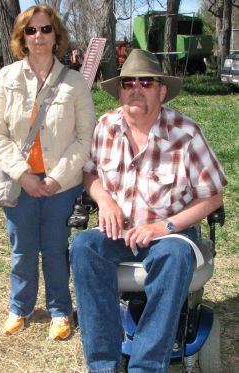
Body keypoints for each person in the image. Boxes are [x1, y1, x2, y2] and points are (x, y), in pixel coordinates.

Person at [70, 49, 227, 372]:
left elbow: (212, 197)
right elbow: (90, 173)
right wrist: (105, 200)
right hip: (120, 231)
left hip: (170, 233)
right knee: (84, 246)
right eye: (129, 83)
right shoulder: (106, 127)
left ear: (162, 90)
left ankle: (145, 365)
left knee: (173, 256)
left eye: (147, 82)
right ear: (120, 90)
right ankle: (103, 365)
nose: (136, 88)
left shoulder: (186, 133)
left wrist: (163, 228)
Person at [0, 4, 95, 340]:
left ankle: (60, 310)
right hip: (19, 184)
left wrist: (55, 178)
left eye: (46, 29)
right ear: (21, 37)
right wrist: (23, 174)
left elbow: (84, 138)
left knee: (56, 249)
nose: (39, 36)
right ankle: (20, 307)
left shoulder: (74, 81)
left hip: (61, 184)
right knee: (22, 250)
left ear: (56, 35)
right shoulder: (6, 78)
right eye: (31, 30)